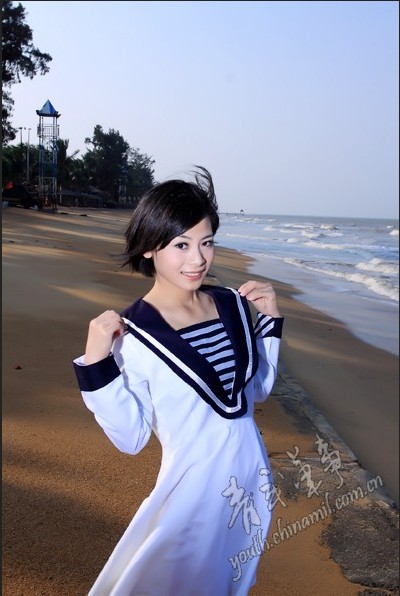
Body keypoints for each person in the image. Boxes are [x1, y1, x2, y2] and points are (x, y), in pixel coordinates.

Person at [73, 166, 284, 595]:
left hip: (249, 484)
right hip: (192, 496)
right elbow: (131, 438)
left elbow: (256, 390)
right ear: (150, 248)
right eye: (181, 245)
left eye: (207, 242)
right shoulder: (134, 336)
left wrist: (270, 324)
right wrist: (96, 363)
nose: (198, 259)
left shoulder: (232, 305)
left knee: (232, 583)